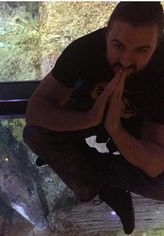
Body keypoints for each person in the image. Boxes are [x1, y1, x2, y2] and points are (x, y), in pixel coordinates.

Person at [23, 2, 164, 234]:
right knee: (35, 133)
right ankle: (97, 186)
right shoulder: (85, 49)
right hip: (88, 111)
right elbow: (36, 110)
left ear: (157, 44)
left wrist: (115, 129)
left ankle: (93, 174)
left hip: (138, 127)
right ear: (106, 33)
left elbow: (155, 162)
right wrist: (90, 118)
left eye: (141, 50)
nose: (126, 61)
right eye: (118, 45)